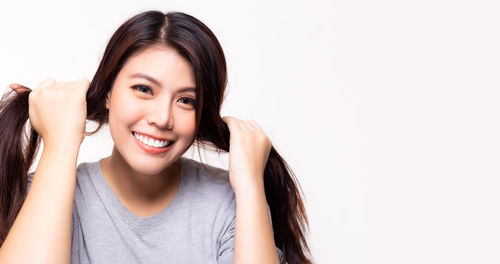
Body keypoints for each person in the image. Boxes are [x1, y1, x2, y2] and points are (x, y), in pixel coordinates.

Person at [0, 10, 311, 264]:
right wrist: (61, 142)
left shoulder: (228, 205)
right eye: (143, 89)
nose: (163, 118)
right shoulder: (44, 192)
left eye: (186, 100)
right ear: (108, 91)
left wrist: (250, 186)